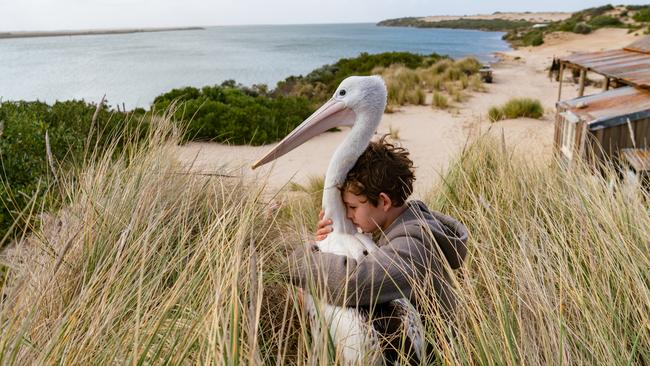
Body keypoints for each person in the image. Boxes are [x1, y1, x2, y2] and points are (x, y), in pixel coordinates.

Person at [287, 135, 468, 360]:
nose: (348, 215)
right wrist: (328, 242)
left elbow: (353, 283)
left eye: (352, 207)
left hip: (435, 355)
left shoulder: (413, 243)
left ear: (383, 201)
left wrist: (305, 258)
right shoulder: (399, 225)